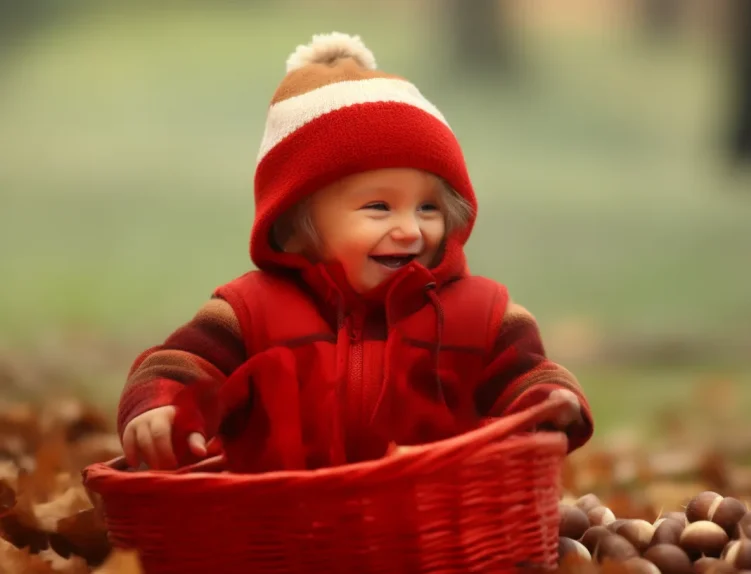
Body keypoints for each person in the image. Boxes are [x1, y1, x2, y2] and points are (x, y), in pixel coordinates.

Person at [114, 32, 594, 472]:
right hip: (283, 532)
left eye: (428, 207)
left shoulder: (480, 315)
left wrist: (549, 402)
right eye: (379, 207)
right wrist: (162, 406)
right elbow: (182, 365)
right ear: (297, 225)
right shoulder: (250, 314)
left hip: (438, 531)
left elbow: (526, 376)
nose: (410, 229)